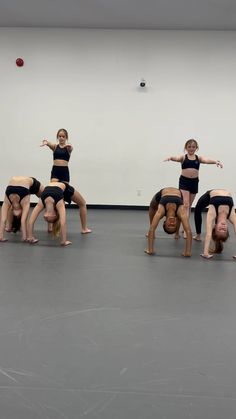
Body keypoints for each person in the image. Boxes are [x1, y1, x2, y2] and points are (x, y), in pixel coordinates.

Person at [164, 139, 223, 223]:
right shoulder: (184, 157)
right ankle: (185, 227)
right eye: (189, 147)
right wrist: (170, 158)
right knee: (186, 204)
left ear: (196, 148)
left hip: (194, 182)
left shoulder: (198, 158)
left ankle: (184, 223)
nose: (191, 148)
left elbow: (207, 160)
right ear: (186, 148)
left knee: (189, 205)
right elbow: (176, 158)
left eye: (193, 147)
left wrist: (216, 162)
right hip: (184, 182)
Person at [145, 187, 192, 256]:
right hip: (178, 194)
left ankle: (175, 233)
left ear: (164, 222)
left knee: (152, 206)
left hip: (163, 193)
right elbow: (188, 231)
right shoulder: (180, 212)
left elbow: (152, 229)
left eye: (169, 225)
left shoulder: (161, 211)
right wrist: (187, 252)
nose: (172, 223)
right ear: (176, 224)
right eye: (173, 225)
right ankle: (176, 233)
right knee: (181, 217)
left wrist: (150, 250)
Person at [0, 176, 44, 242]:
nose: (19, 215)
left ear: (12, 210)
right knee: (45, 197)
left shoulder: (9, 202)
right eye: (20, 215)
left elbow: (4, 219)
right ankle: (9, 227)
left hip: (32, 183)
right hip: (19, 184)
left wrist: (25, 237)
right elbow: (22, 221)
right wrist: (25, 237)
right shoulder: (12, 201)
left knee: (45, 195)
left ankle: (51, 225)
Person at [27, 181, 71, 246]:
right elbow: (63, 223)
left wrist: (30, 237)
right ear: (56, 215)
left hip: (52, 186)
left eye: (46, 217)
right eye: (50, 217)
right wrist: (64, 241)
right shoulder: (59, 203)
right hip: (62, 186)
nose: (47, 216)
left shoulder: (42, 201)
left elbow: (31, 221)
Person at [196, 189, 236, 259]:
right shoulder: (232, 215)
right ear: (227, 229)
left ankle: (197, 235)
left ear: (215, 226)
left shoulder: (212, 213)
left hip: (210, 194)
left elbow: (208, 234)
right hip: (225, 192)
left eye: (220, 229)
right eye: (224, 230)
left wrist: (206, 253)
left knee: (197, 209)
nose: (223, 227)